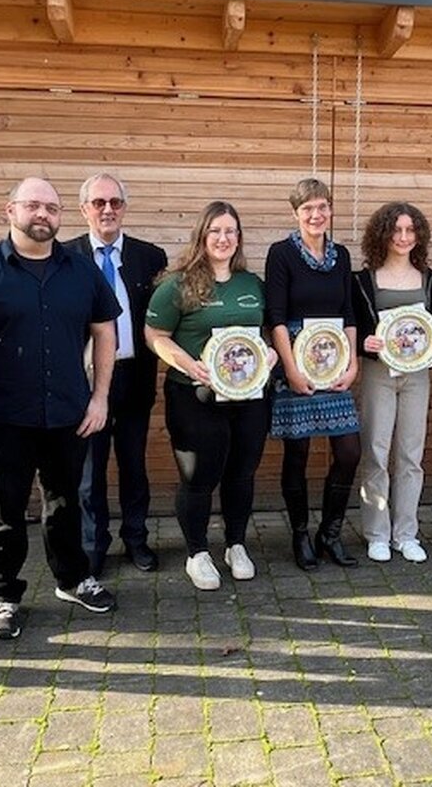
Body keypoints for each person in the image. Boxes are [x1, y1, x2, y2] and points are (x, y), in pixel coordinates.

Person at [0, 177, 118, 640]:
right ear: (10, 210)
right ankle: (4, 596)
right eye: (33, 206)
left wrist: (99, 398)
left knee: (66, 501)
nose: (42, 214)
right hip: (5, 415)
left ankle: (72, 579)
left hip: (69, 412)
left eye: (51, 208)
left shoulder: (83, 272)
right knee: (6, 507)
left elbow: (105, 332)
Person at [144, 201, 274, 589]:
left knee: (241, 473)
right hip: (194, 396)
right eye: (215, 230)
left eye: (231, 231)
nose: (223, 238)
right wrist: (188, 364)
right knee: (199, 477)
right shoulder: (177, 285)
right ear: (202, 235)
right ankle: (197, 553)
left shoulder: (251, 284)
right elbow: (154, 335)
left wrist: (268, 351)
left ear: (239, 238)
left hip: (250, 397)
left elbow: (266, 331)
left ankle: (235, 545)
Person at [64, 173, 167, 576]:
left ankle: (137, 540)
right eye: (98, 203)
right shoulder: (66, 255)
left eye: (115, 203)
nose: (107, 210)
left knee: (133, 466)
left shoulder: (149, 257)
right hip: (86, 383)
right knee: (90, 472)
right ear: (84, 209)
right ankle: (93, 546)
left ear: (124, 207)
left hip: (134, 377)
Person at [265, 178, 361, 571]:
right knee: (298, 451)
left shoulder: (341, 255)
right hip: (297, 365)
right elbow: (275, 316)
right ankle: (300, 535)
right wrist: (290, 370)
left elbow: (350, 313)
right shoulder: (280, 254)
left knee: (349, 451)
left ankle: (331, 533)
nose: (316, 215)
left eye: (322, 207)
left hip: (335, 363)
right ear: (295, 213)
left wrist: (353, 363)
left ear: (331, 210)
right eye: (308, 209)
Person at [353, 202, 432, 563]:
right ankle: (376, 532)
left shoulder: (429, 279)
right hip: (378, 376)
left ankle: (406, 533)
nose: (404, 237)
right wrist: (366, 341)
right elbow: (356, 330)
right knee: (375, 452)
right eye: (396, 230)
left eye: (410, 230)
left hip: (417, 377)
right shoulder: (363, 280)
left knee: (411, 455)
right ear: (383, 234)